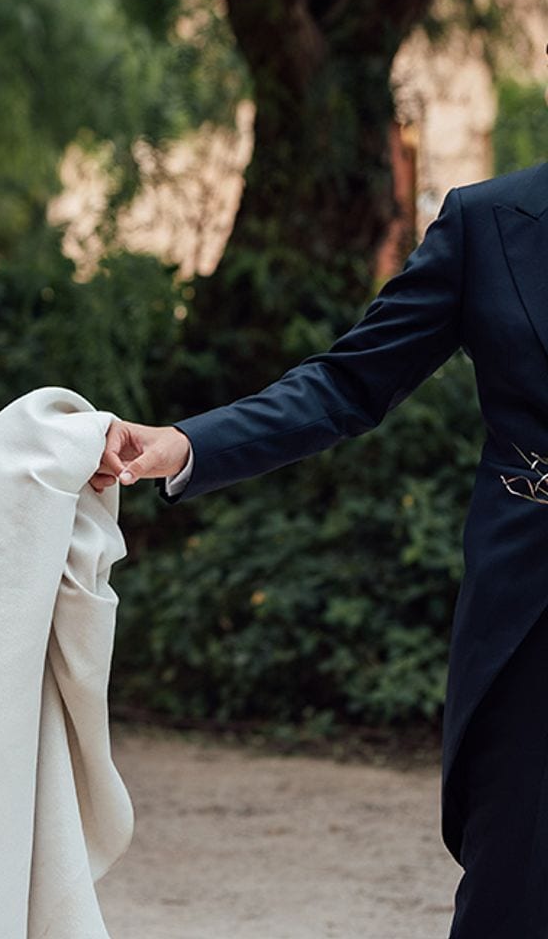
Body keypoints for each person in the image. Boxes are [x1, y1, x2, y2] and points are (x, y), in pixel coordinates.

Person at [93, 159, 548, 937]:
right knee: (514, 893)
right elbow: (346, 385)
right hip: (533, 611)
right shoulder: (489, 221)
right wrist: (181, 443)